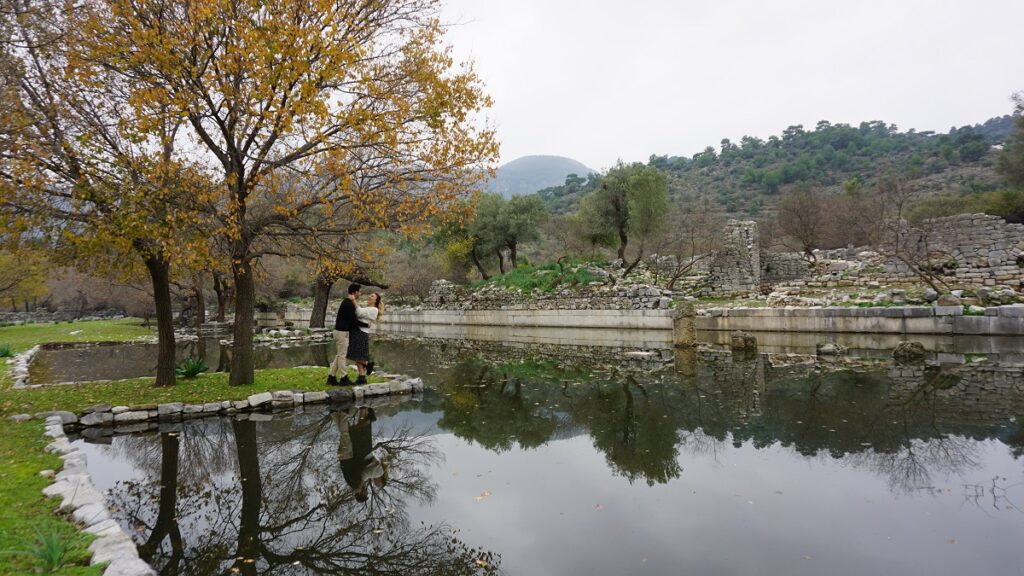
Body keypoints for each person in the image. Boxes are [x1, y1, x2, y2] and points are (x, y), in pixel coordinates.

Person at [327, 283, 367, 386]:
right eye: (360, 291)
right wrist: (366, 325)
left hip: (340, 332)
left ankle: (331, 377)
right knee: (342, 356)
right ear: (355, 292)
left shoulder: (348, 302)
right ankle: (343, 378)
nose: (360, 293)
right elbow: (353, 321)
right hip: (342, 332)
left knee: (339, 355)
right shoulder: (348, 303)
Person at [347, 292, 380, 385]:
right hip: (358, 332)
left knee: (356, 355)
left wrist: (353, 300)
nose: (369, 296)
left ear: (376, 300)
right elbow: (359, 312)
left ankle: (368, 364)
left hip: (361, 333)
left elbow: (359, 312)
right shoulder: (367, 308)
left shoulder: (374, 309)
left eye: (372, 296)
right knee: (358, 356)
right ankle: (362, 378)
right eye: (370, 295)